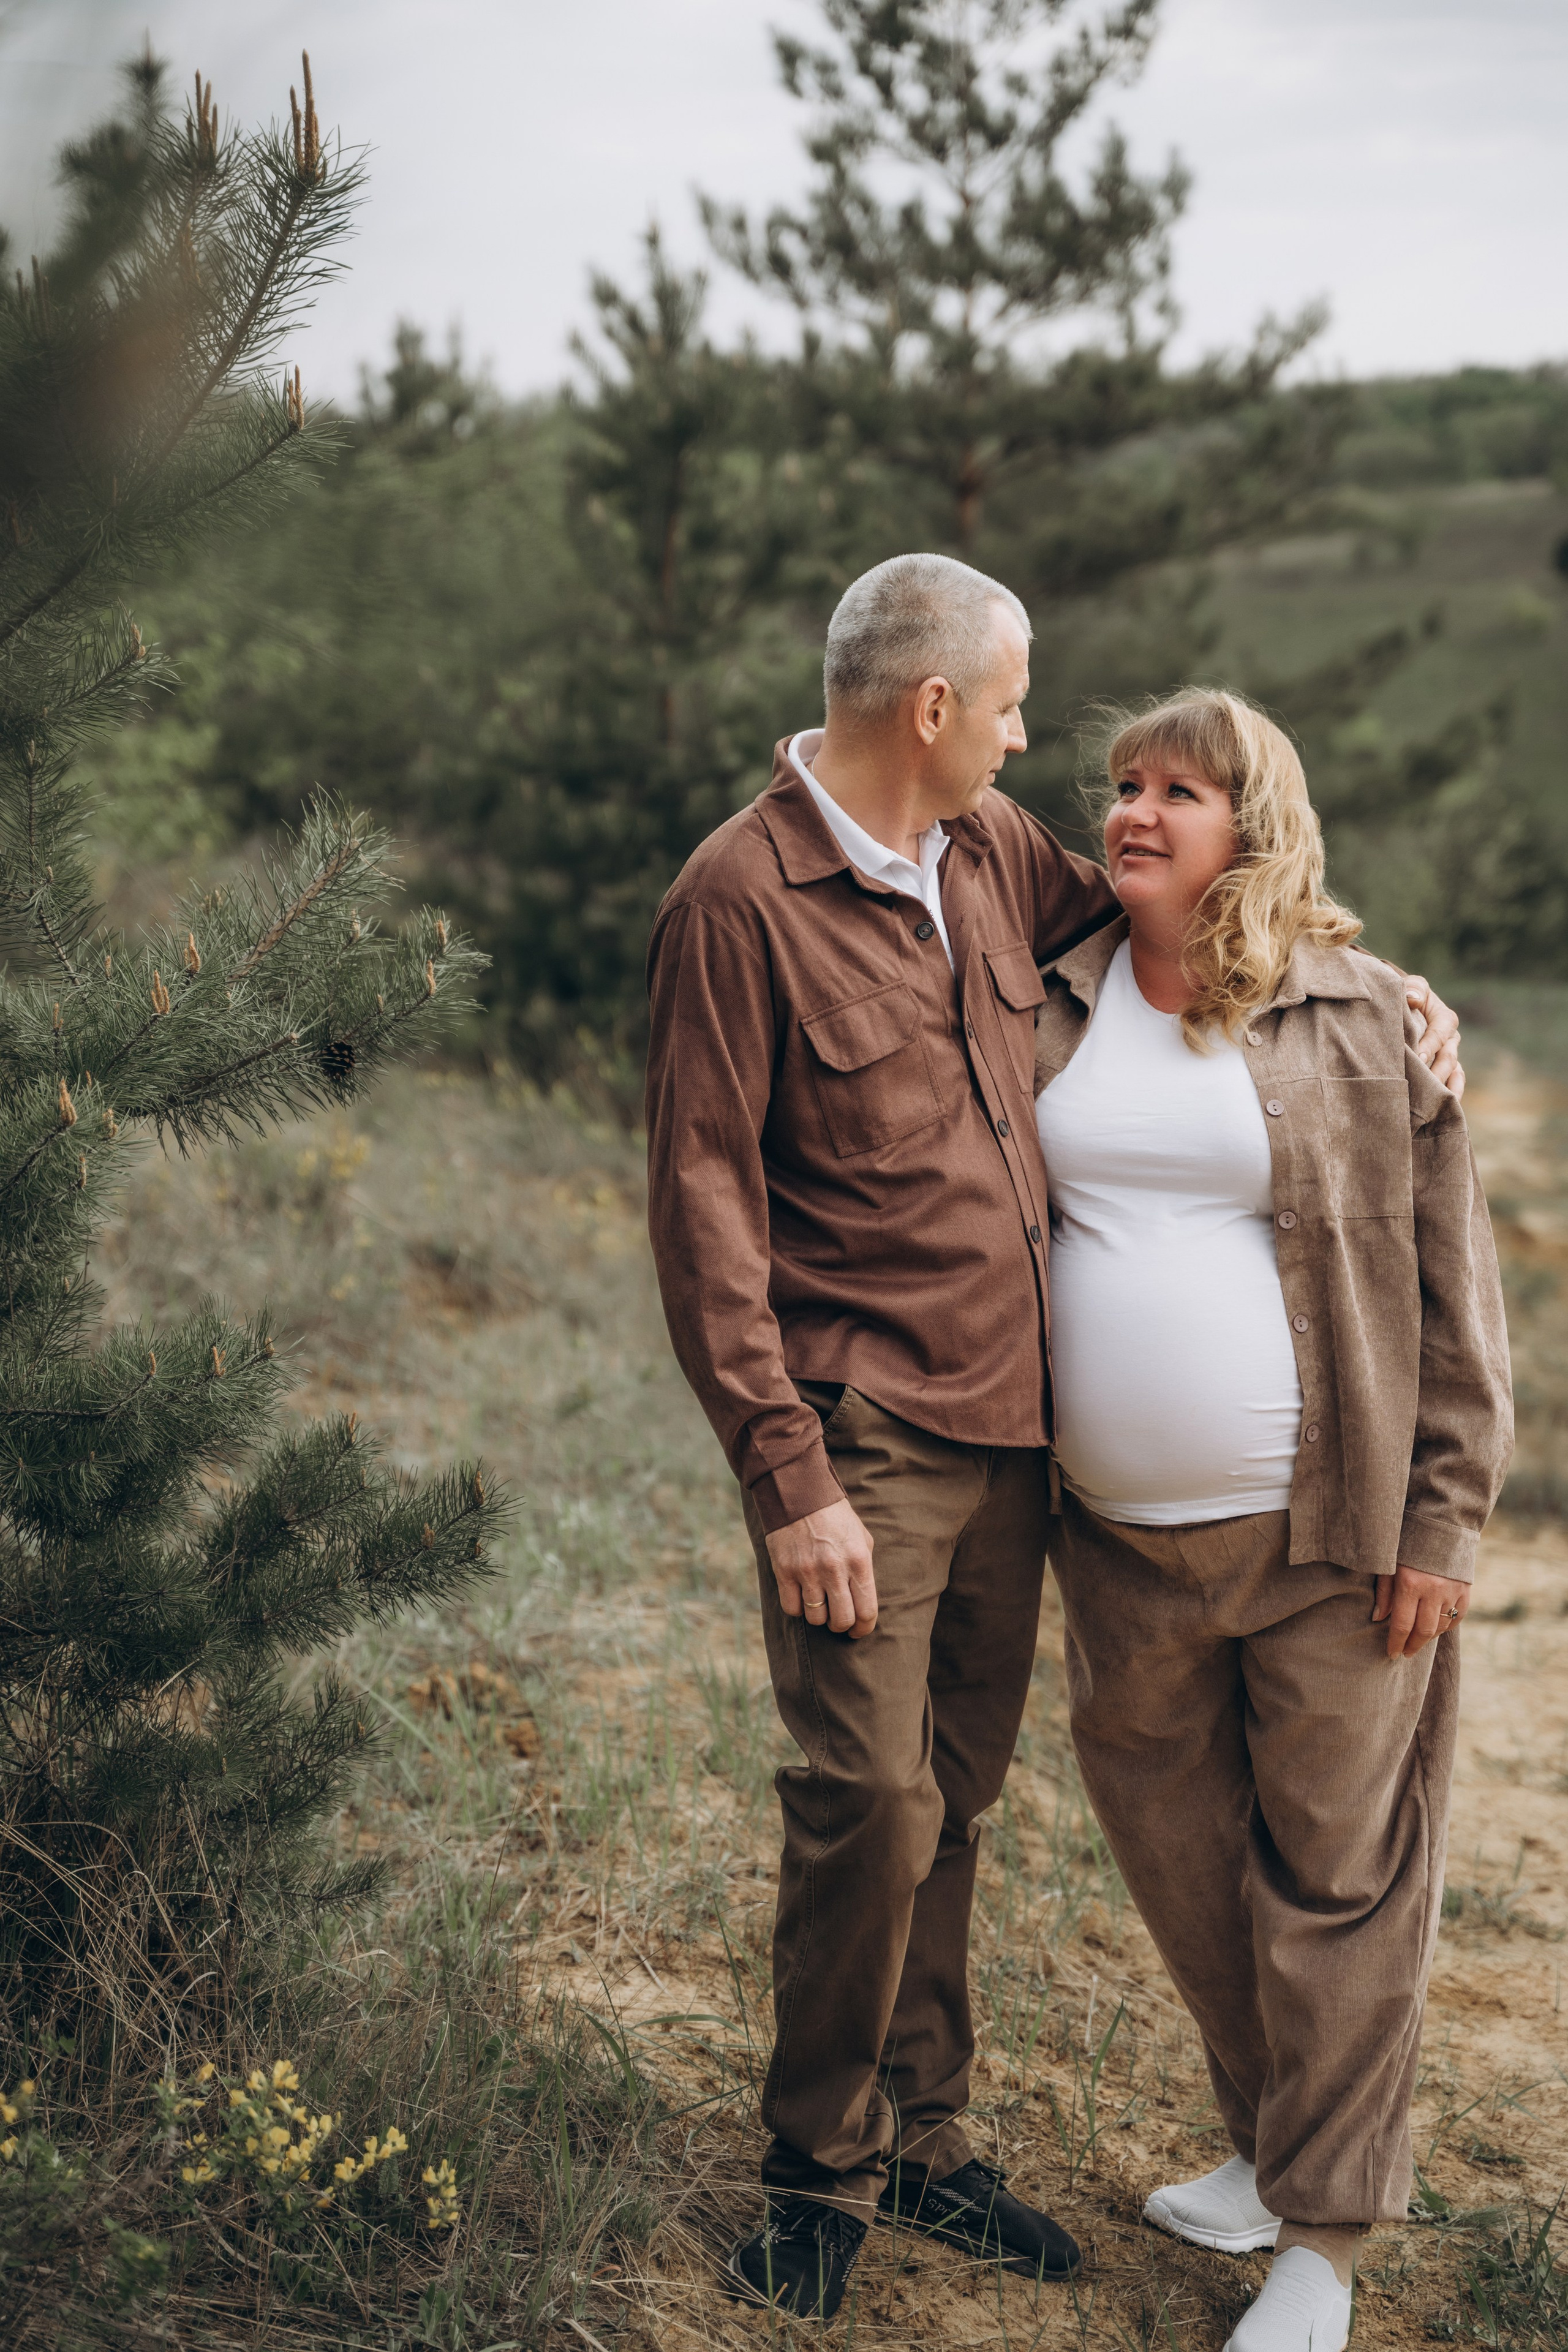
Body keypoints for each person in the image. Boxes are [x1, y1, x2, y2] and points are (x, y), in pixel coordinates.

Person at [643, 554, 1463, 2324]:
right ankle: (818, 2162)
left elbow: (1213, 900)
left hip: (1029, 1450)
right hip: (870, 1437)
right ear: (934, 709)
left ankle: (928, 2141)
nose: (1047, 753)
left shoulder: (993, 860)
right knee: (865, 1795)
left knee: (957, 1805)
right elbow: (702, 1199)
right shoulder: (741, 895)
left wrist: (1377, 984)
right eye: (1018, 710)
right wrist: (787, 1476)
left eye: (1136, 774)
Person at [1033, 688, 1511, 2352]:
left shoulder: (1372, 1019)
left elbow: (1462, 1299)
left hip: (1332, 1540)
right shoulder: (1048, 995)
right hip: (1117, 1546)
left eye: (1180, 790)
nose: (1137, 812)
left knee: (1340, 1883)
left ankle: (1323, 2242)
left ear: (1256, 824)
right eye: (1121, 785)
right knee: (1185, 1862)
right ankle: (1269, 2141)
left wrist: (1441, 1525)